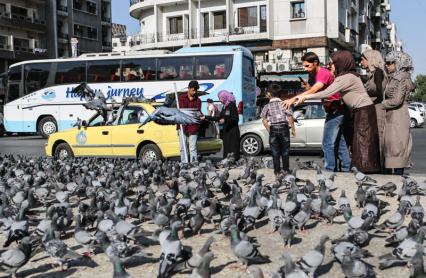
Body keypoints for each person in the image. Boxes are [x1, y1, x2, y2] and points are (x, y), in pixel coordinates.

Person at [295, 50, 380, 173]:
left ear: (341, 63)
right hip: (361, 111)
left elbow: (326, 93)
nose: (330, 66)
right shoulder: (347, 75)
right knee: (354, 142)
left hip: (363, 111)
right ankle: (352, 169)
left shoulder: (345, 77)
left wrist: (304, 96)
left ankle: (362, 170)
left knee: (362, 142)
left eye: (332, 63)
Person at [282, 52, 351, 172]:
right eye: (304, 66)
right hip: (337, 110)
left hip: (335, 110)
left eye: (307, 66)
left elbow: (316, 89)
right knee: (340, 144)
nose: (305, 68)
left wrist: (293, 98)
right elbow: (315, 91)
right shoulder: (317, 74)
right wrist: (308, 88)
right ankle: (346, 169)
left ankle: (330, 170)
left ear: (315, 63)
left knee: (327, 144)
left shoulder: (322, 73)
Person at [381, 51, 415, 175]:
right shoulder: (397, 77)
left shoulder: (400, 78)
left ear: (398, 63)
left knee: (396, 147)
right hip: (394, 115)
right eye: (386, 63)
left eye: (390, 63)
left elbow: (397, 100)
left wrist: (382, 104)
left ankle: (397, 179)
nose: (387, 65)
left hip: (397, 116)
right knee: (393, 146)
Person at [360, 49, 388, 172]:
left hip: (378, 109)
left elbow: (379, 92)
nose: (361, 62)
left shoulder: (378, 72)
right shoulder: (373, 74)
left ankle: (382, 168)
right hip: (374, 108)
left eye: (363, 59)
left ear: (371, 59)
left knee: (380, 139)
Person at [260, 83, 296, 176]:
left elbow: (264, 120)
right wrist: (293, 129)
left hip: (274, 128)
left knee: (275, 152)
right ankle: (286, 170)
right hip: (284, 128)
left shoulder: (266, 106)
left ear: (269, 94)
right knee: (285, 151)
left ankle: (277, 172)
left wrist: (269, 130)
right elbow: (290, 117)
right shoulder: (284, 104)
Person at [204, 90, 240, 161]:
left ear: (225, 97)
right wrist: (206, 117)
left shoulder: (231, 105)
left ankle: (233, 162)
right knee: (226, 148)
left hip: (232, 132)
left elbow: (235, 119)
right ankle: (227, 162)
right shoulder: (225, 106)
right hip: (226, 131)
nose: (220, 100)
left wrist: (225, 120)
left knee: (232, 150)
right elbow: (219, 117)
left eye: (221, 98)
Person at [178, 80, 202, 163]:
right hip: (182, 125)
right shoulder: (181, 98)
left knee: (193, 147)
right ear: (188, 89)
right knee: (182, 147)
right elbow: (181, 111)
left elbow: (198, 112)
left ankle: (193, 165)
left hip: (193, 126)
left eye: (196, 90)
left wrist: (200, 115)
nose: (194, 92)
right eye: (193, 90)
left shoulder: (198, 101)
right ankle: (184, 163)